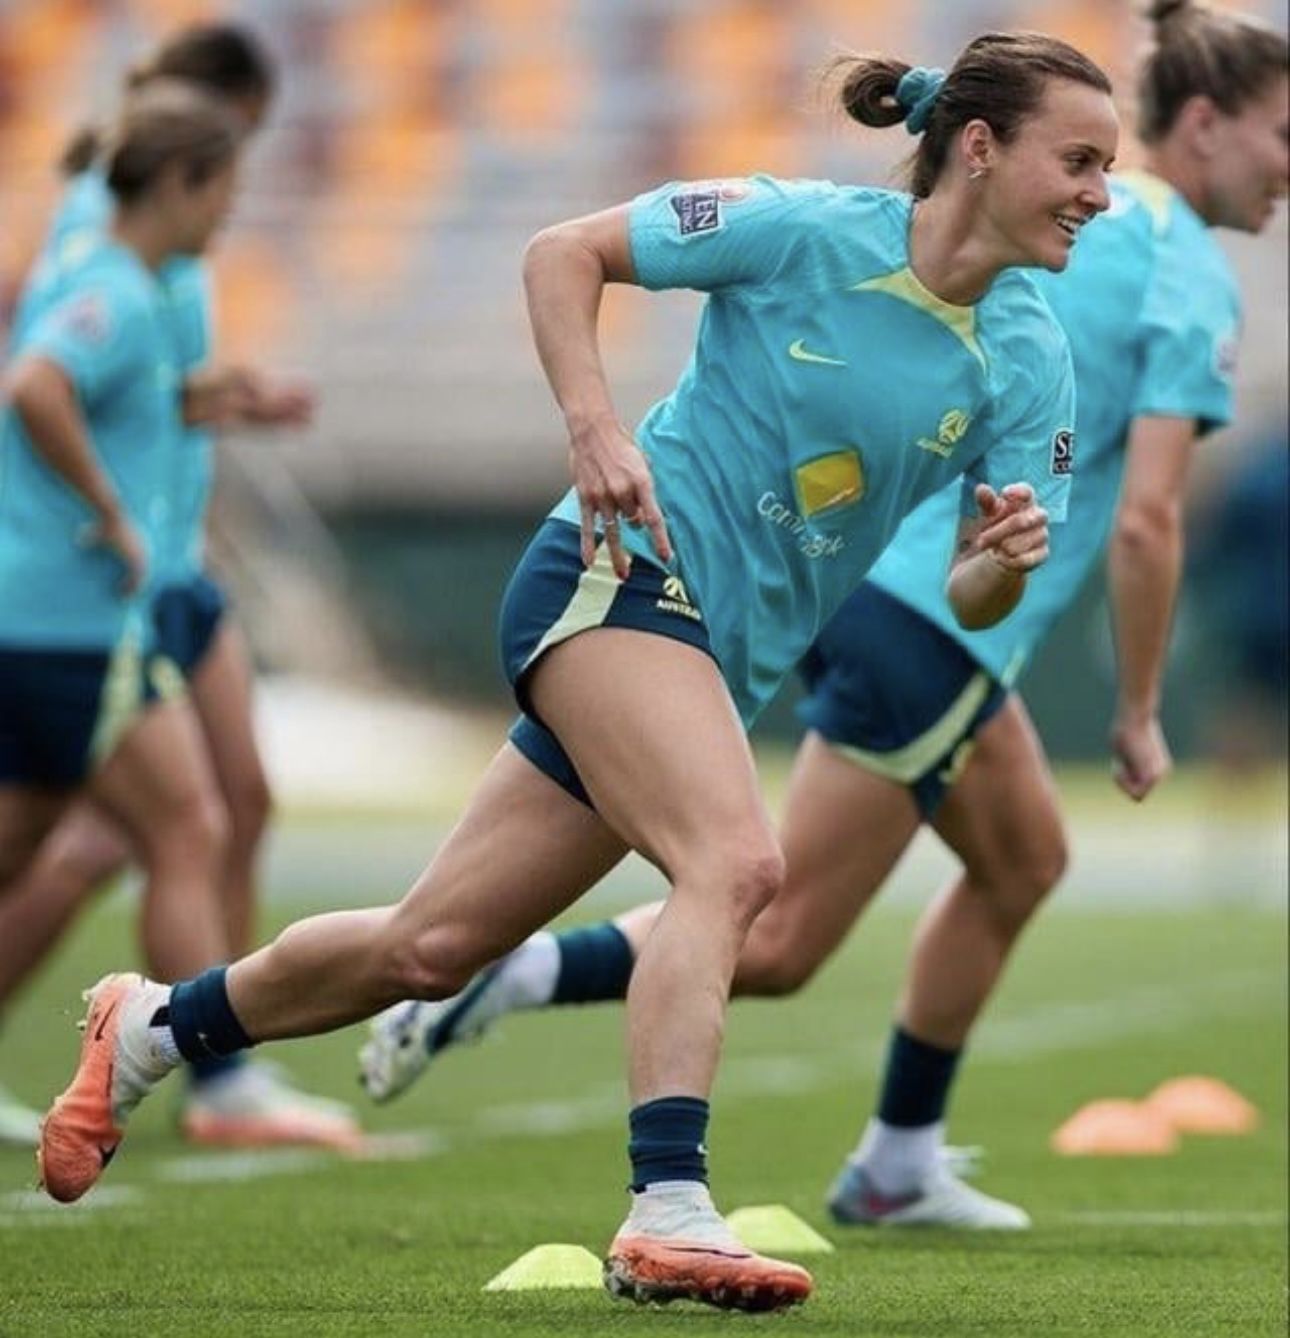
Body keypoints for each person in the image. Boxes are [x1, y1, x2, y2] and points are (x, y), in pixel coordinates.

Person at [38, 32, 1117, 1313]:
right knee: (738, 865)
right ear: (980, 148)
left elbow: (976, 590)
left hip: (709, 657)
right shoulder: (800, 228)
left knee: (429, 947)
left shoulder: (1031, 354)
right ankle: (668, 1206)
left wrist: (998, 560)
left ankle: (153, 1028)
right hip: (615, 580)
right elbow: (564, 252)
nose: (1100, 193)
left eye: (1106, 168)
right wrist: (597, 431)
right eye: (1080, 160)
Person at [362, 0, 1288, 1233]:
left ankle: (891, 1155)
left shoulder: (1062, 259)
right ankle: (553, 1022)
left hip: (884, 600)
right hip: (923, 619)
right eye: (1285, 134)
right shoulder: (1178, 271)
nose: (1289, 168)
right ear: (1209, 123)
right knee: (770, 914)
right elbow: (1149, 518)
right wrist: (1135, 705)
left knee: (1020, 862)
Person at [0, 24, 356, 1150]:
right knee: (173, 824)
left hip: (115, 589)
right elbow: (40, 383)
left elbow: (123, 394)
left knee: (133, 823)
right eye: (229, 180)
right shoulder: (111, 270)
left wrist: (225, 399)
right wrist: (110, 510)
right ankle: (217, 1076)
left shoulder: (140, 274)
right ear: (190, 163)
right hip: (79, 600)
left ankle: (219, 1068)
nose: (233, 210)